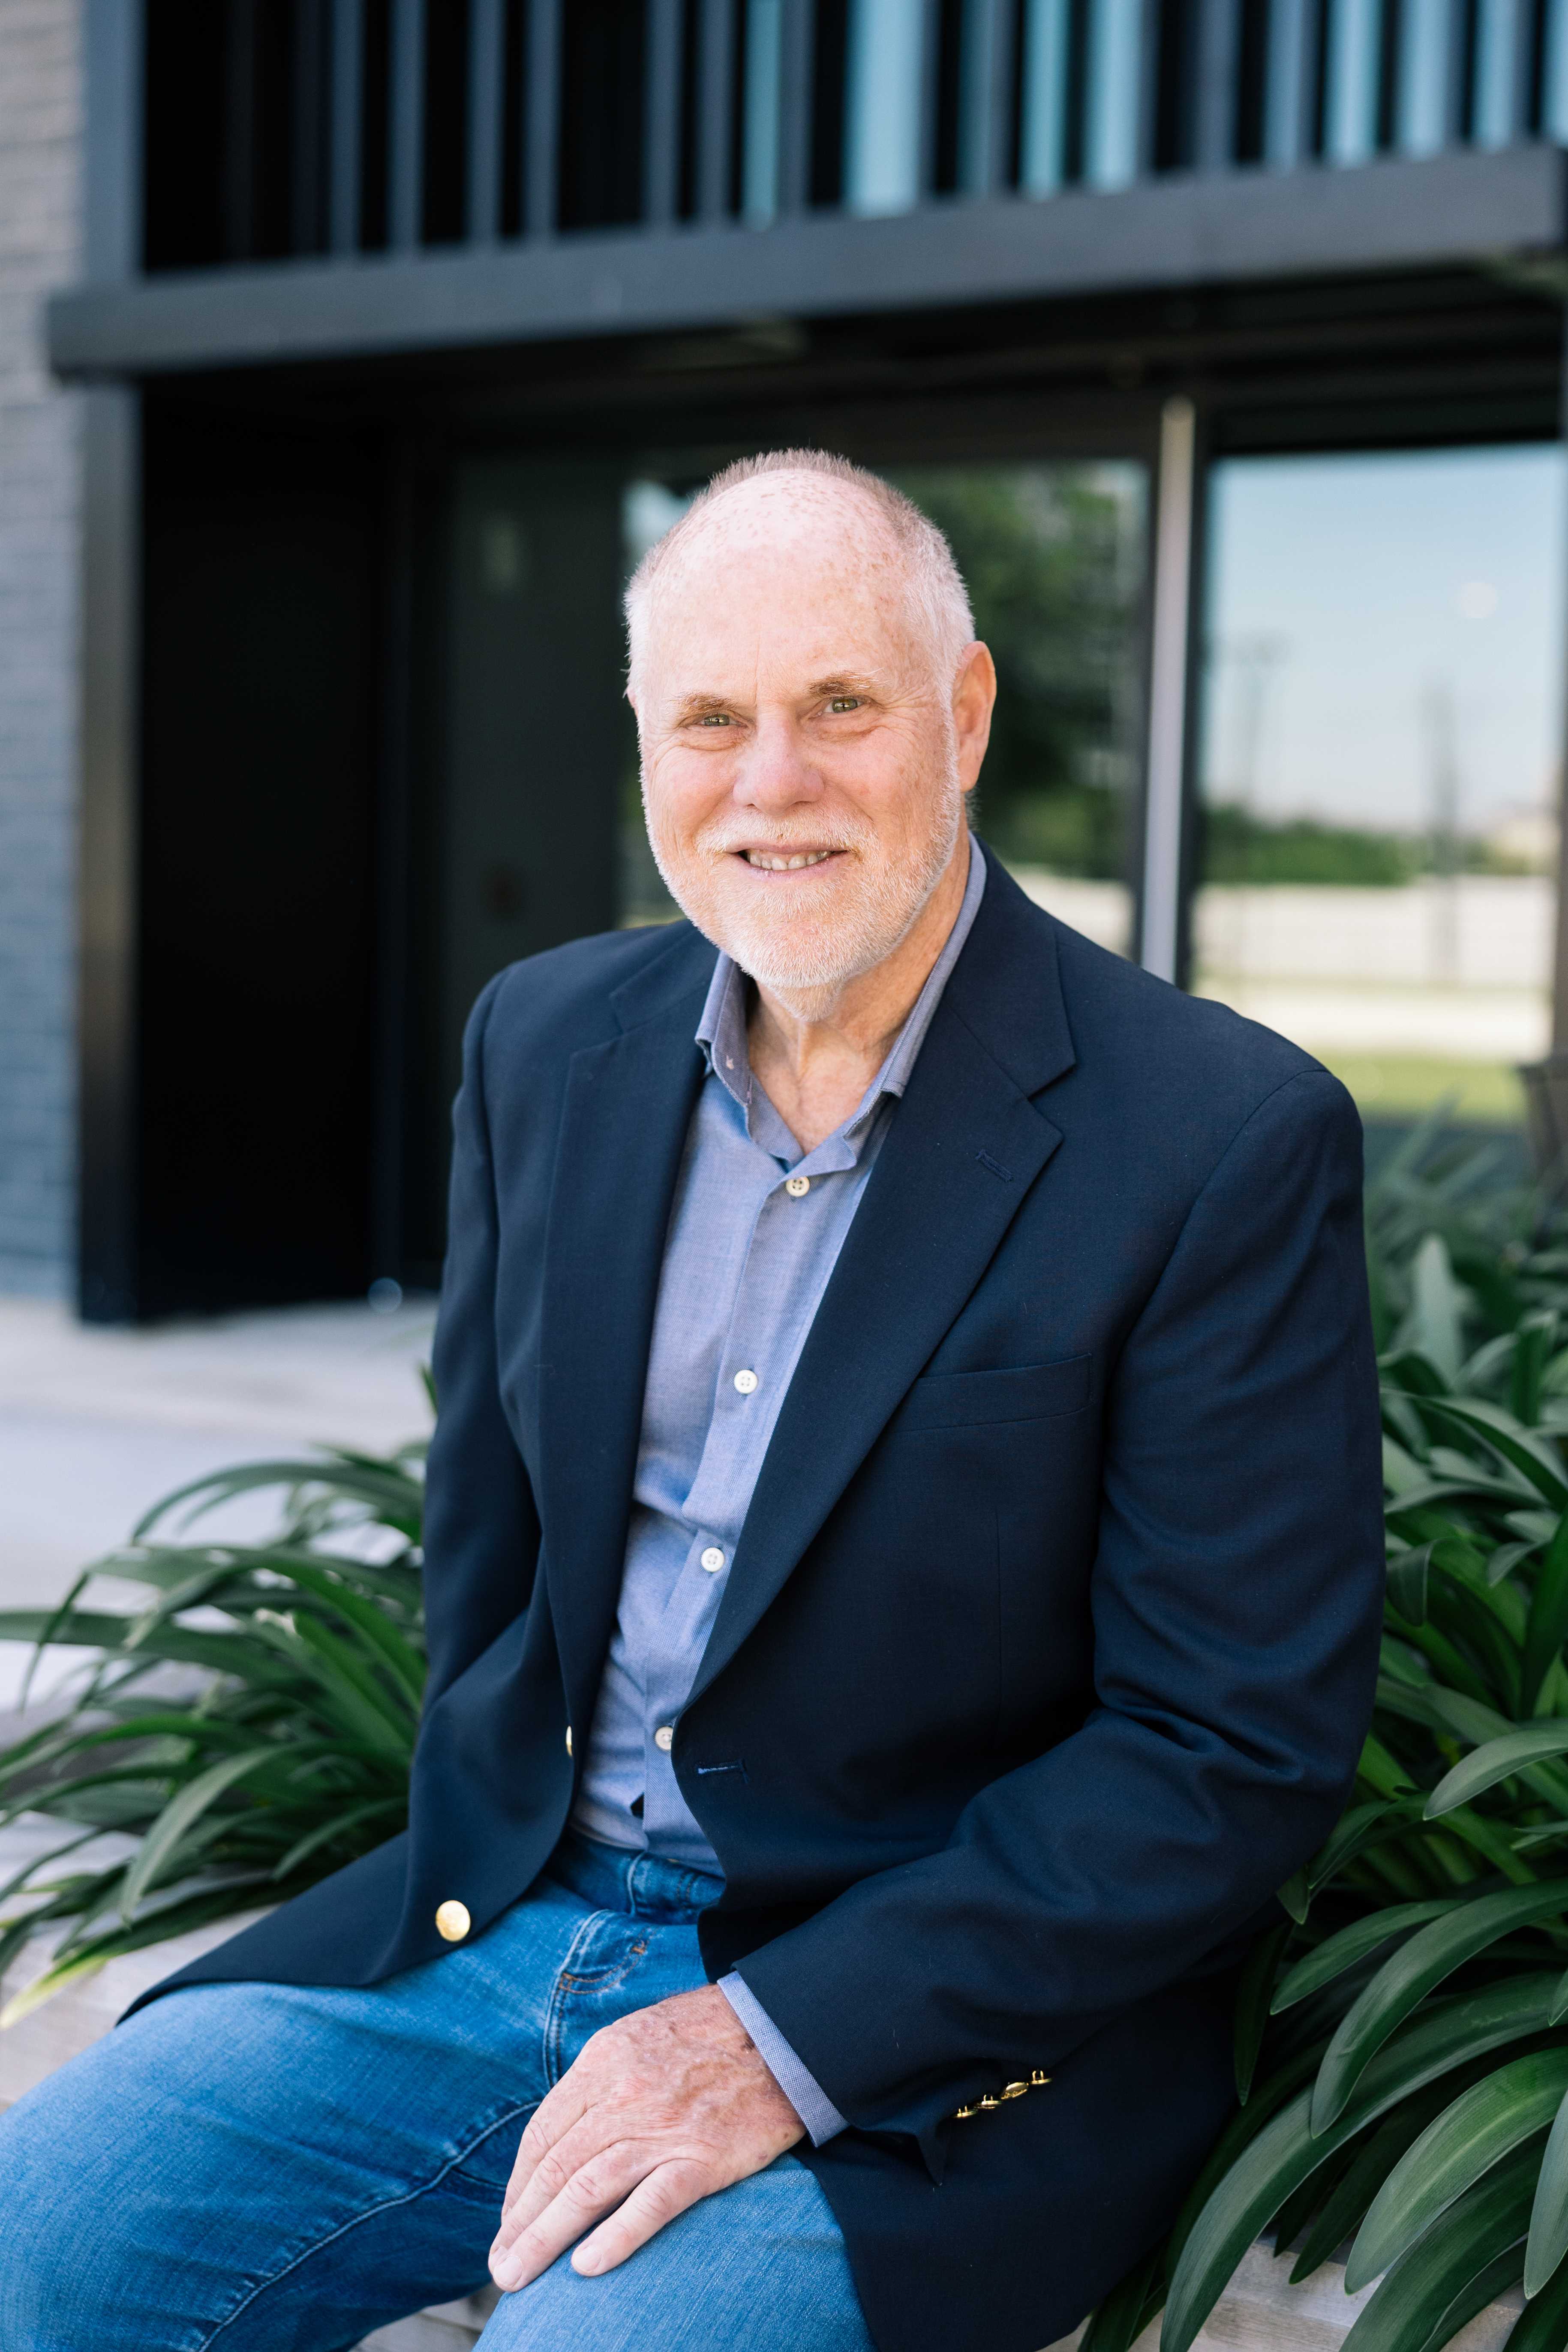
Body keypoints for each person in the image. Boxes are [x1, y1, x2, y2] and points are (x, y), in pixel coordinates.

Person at [0, 450, 1385, 2352]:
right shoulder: (546, 1038)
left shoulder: (1219, 1135)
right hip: (498, 1927)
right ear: (645, 739)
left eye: (842, 707)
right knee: (41, 2236)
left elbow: (1228, 1745)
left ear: (963, 715)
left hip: (915, 2034)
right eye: (711, 720)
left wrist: (781, 2038)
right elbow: (490, 1538)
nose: (772, 784)